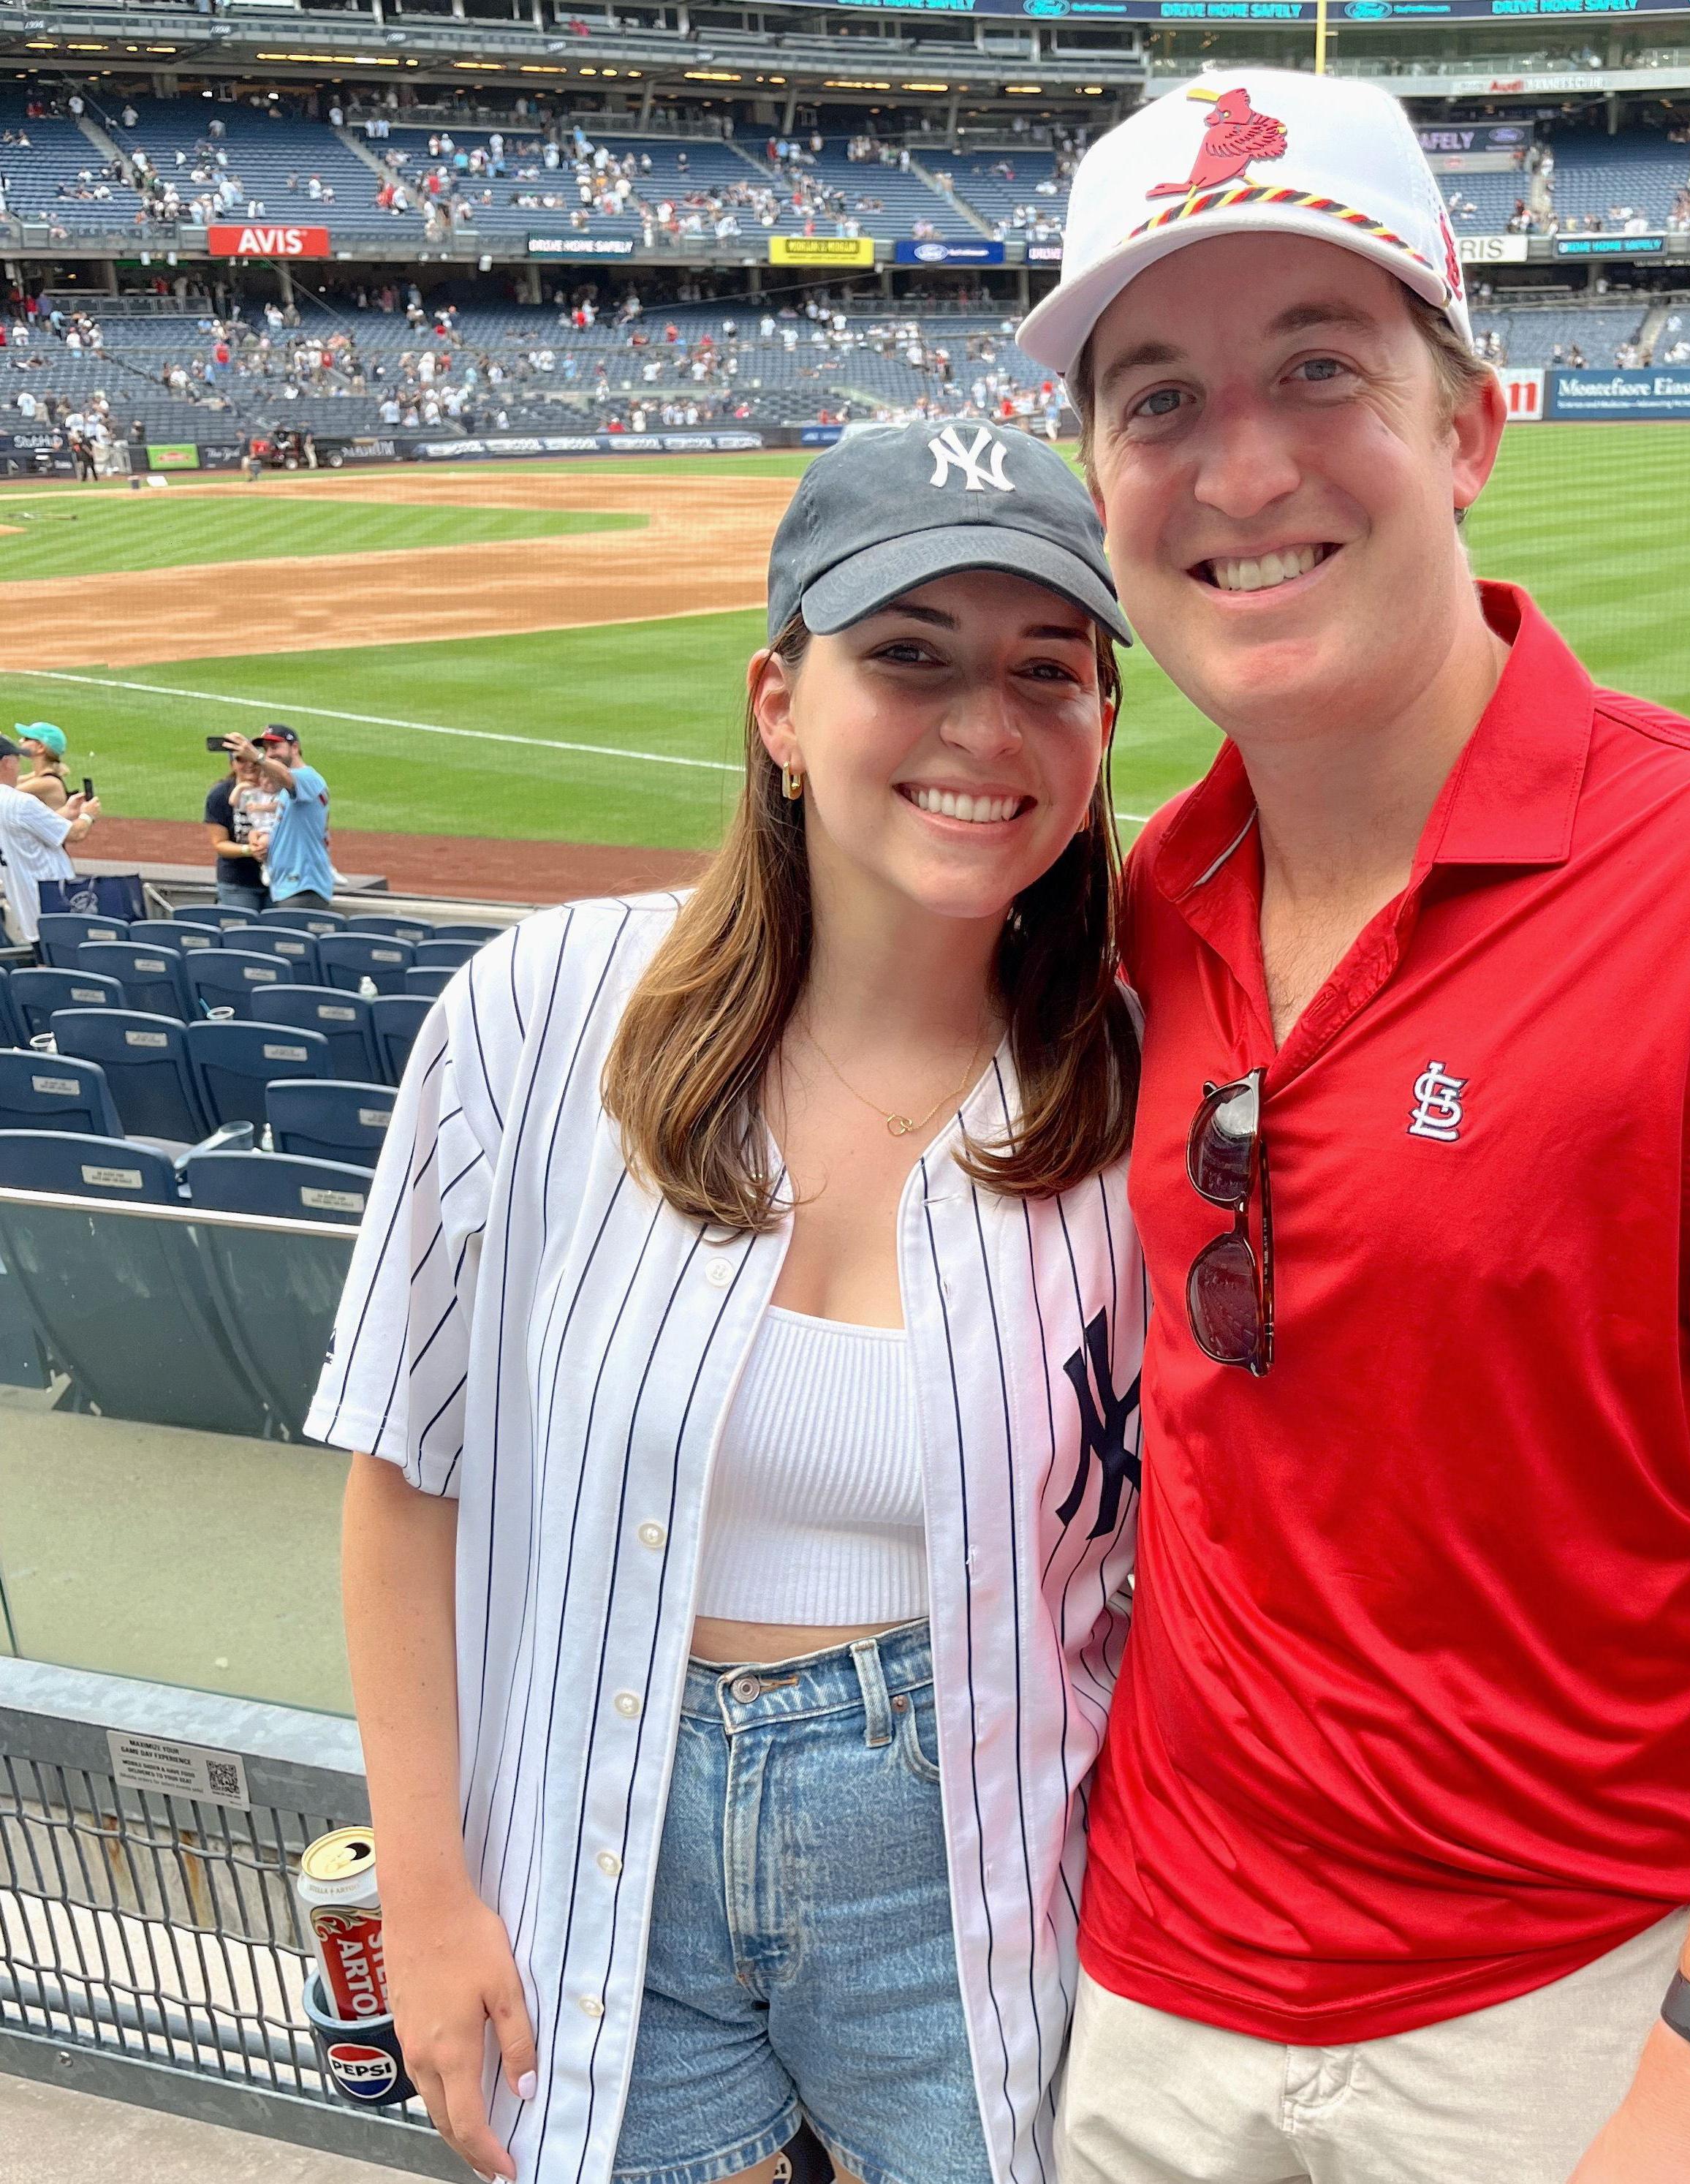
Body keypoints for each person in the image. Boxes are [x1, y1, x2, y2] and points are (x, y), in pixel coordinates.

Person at [1015, 70, 1690, 2184]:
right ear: (1094, 480)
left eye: (1319, 369)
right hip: (1146, 1987)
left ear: (1467, 428)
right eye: (1158, 398)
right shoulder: (1132, 910)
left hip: (1548, 2030)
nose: (1241, 463)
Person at [314, 423, 1144, 2184]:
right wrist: (427, 1880)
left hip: (981, 1861)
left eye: (1043, 671)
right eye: (906, 654)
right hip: (587, 1834)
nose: (981, 726)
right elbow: (405, 1473)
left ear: (1098, 732)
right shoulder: (540, 1008)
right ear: (777, 703)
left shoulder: (1144, 1087)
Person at [0, 738, 97, 945]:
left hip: (24, 905)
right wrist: (87, 816)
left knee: (45, 965)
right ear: (8, 762)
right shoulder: (20, 802)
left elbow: (27, 830)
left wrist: (66, 812)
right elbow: (75, 834)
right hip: (52, 903)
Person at [232, 724, 335, 910]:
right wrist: (263, 840)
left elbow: (287, 776)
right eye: (265, 749)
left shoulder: (308, 778)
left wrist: (257, 757)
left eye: (275, 747)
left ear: (294, 748)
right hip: (287, 887)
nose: (269, 754)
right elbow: (290, 829)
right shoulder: (286, 790)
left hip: (303, 887)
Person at [203, 738, 273, 910]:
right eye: (241, 760)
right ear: (232, 764)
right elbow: (220, 843)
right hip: (238, 883)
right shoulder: (220, 795)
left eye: (253, 759)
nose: (249, 765)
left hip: (280, 881)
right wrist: (250, 850)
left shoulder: (278, 789)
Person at [13, 721, 71, 810]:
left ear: (41, 747)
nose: (21, 741)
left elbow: (7, 794)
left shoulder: (48, 783)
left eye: (27, 738)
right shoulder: (39, 775)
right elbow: (11, 781)